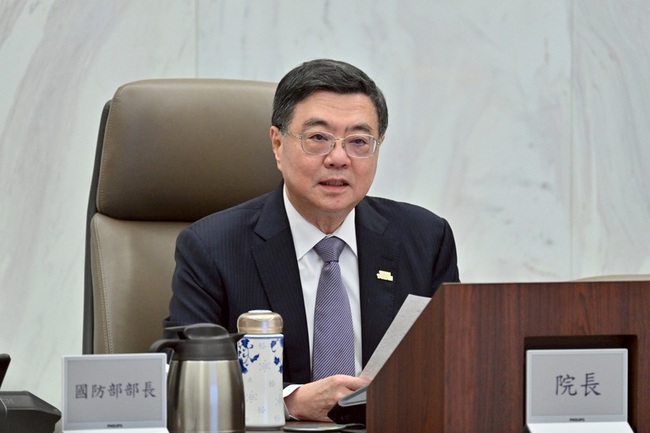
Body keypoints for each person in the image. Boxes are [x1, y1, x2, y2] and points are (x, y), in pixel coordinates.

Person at [163, 58, 460, 421]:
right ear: (277, 144)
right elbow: (181, 377)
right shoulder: (212, 247)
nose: (339, 158)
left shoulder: (425, 239)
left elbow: (456, 366)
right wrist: (287, 402)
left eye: (359, 141)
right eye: (318, 138)